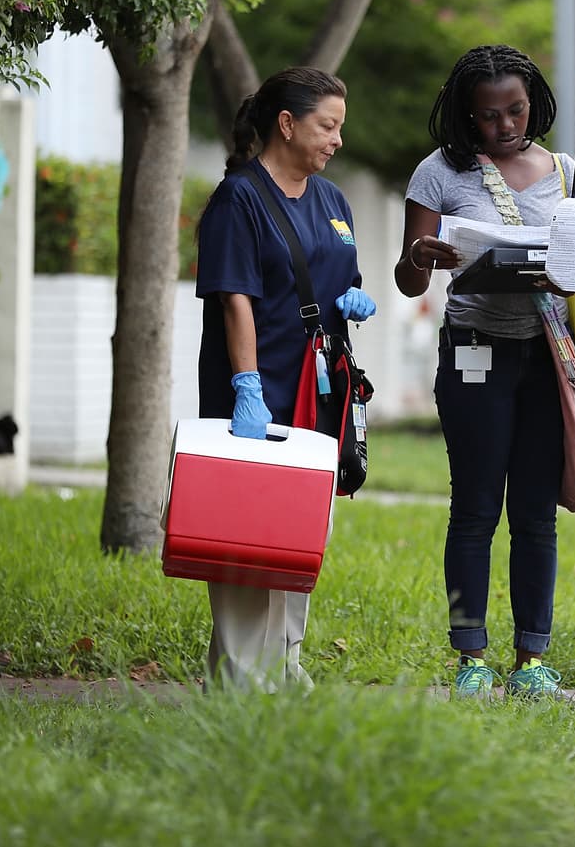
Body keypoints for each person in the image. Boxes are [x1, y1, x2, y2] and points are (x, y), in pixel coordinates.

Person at [395, 44, 575, 699]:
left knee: (534, 514)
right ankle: (471, 656)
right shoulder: (439, 173)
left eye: (515, 110)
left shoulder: (568, 171)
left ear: (535, 102)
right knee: (473, 508)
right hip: (473, 348)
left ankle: (531, 659)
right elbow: (409, 281)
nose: (503, 126)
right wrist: (420, 254)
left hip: (547, 356)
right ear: (466, 114)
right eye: (487, 116)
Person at [195, 67, 376, 691]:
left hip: (319, 389)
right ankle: (243, 680)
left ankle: (284, 665)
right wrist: (246, 387)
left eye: (340, 129)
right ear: (287, 123)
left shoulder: (331, 200)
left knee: (298, 534)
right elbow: (234, 299)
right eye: (328, 126)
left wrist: (352, 298)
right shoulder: (238, 198)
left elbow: (340, 275)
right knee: (247, 534)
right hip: (258, 387)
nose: (336, 141)